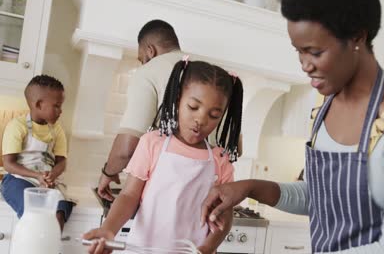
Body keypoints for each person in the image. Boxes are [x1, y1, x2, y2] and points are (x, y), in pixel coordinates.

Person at [201, 0, 384, 253]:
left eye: (314, 52)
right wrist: (247, 188)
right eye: (299, 51)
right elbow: (318, 197)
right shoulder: (323, 105)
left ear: (357, 37)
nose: (304, 65)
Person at [83, 58, 244, 254]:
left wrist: (209, 247)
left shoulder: (220, 161)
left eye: (214, 115)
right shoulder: (153, 143)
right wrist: (109, 229)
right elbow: (129, 195)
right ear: (177, 100)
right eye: (193, 107)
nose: (201, 119)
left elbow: (225, 215)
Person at [97, 19, 187, 201]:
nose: (142, 64)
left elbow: (126, 149)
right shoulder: (208, 73)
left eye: (141, 59)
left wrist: (108, 172)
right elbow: (236, 148)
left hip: (167, 193)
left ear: (150, 50)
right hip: (207, 196)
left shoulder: (149, 72)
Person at [1, 75, 74, 231]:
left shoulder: (57, 129)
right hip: (18, 180)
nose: (60, 111)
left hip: (47, 181)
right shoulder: (17, 126)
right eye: (57, 106)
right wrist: (37, 176)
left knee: (59, 212)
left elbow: (62, 161)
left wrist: (51, 175)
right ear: (39, 104)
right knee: (35, 215)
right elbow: (9, 164)